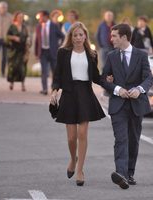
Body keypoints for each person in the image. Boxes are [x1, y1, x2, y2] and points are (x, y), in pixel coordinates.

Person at [50, 22, 105, 186]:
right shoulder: (63, 53)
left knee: (82, 134)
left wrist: (108, 80)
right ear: (71, 37)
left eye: (81, 35)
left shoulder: (92, 53)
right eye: (75, 35)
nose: (79, 38)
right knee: (71, 137)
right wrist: (54, 90)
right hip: (69, 93)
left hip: (85, 94)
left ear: (85, 36)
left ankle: (80, 169)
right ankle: (73, 160)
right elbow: (58, 74)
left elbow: (95, 76)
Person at [101, 24, 153, 189]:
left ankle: (129, 173)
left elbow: (148, 78)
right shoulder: (111, 56)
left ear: (124, 37)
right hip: (118, 105)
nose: (111, 39)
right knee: (121, 139)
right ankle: (121, 174)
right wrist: (116, 89)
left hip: (137, 104)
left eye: (115, 36)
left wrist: (139, 89)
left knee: (133, 140)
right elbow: (103, 78)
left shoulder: (142, 55)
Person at [35, 10, 64, 95]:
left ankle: (53, 88)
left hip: (53, 52)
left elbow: (62, 36)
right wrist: (36, 53)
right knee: (44, 71)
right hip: (43, 52)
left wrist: (60, 46)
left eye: (40, 16)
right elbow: (37, 40)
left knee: (54, 71)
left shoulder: (54, 25)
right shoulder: (38, 26)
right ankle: (44, 89)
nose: (39, 18)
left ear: (45, 17)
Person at [6, 11, 29, 91]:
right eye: (19, 17)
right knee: (12, 67)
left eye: (22, 17)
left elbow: (28, 37)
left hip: (22, 50)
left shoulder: (24, 27)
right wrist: (14, 38)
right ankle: (11, 83)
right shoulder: (12, 26)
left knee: (22, 68)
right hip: (13, 50)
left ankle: (23, 84)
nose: (21, 19)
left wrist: (28, 46)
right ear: (16, 17)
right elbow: (7, 36)